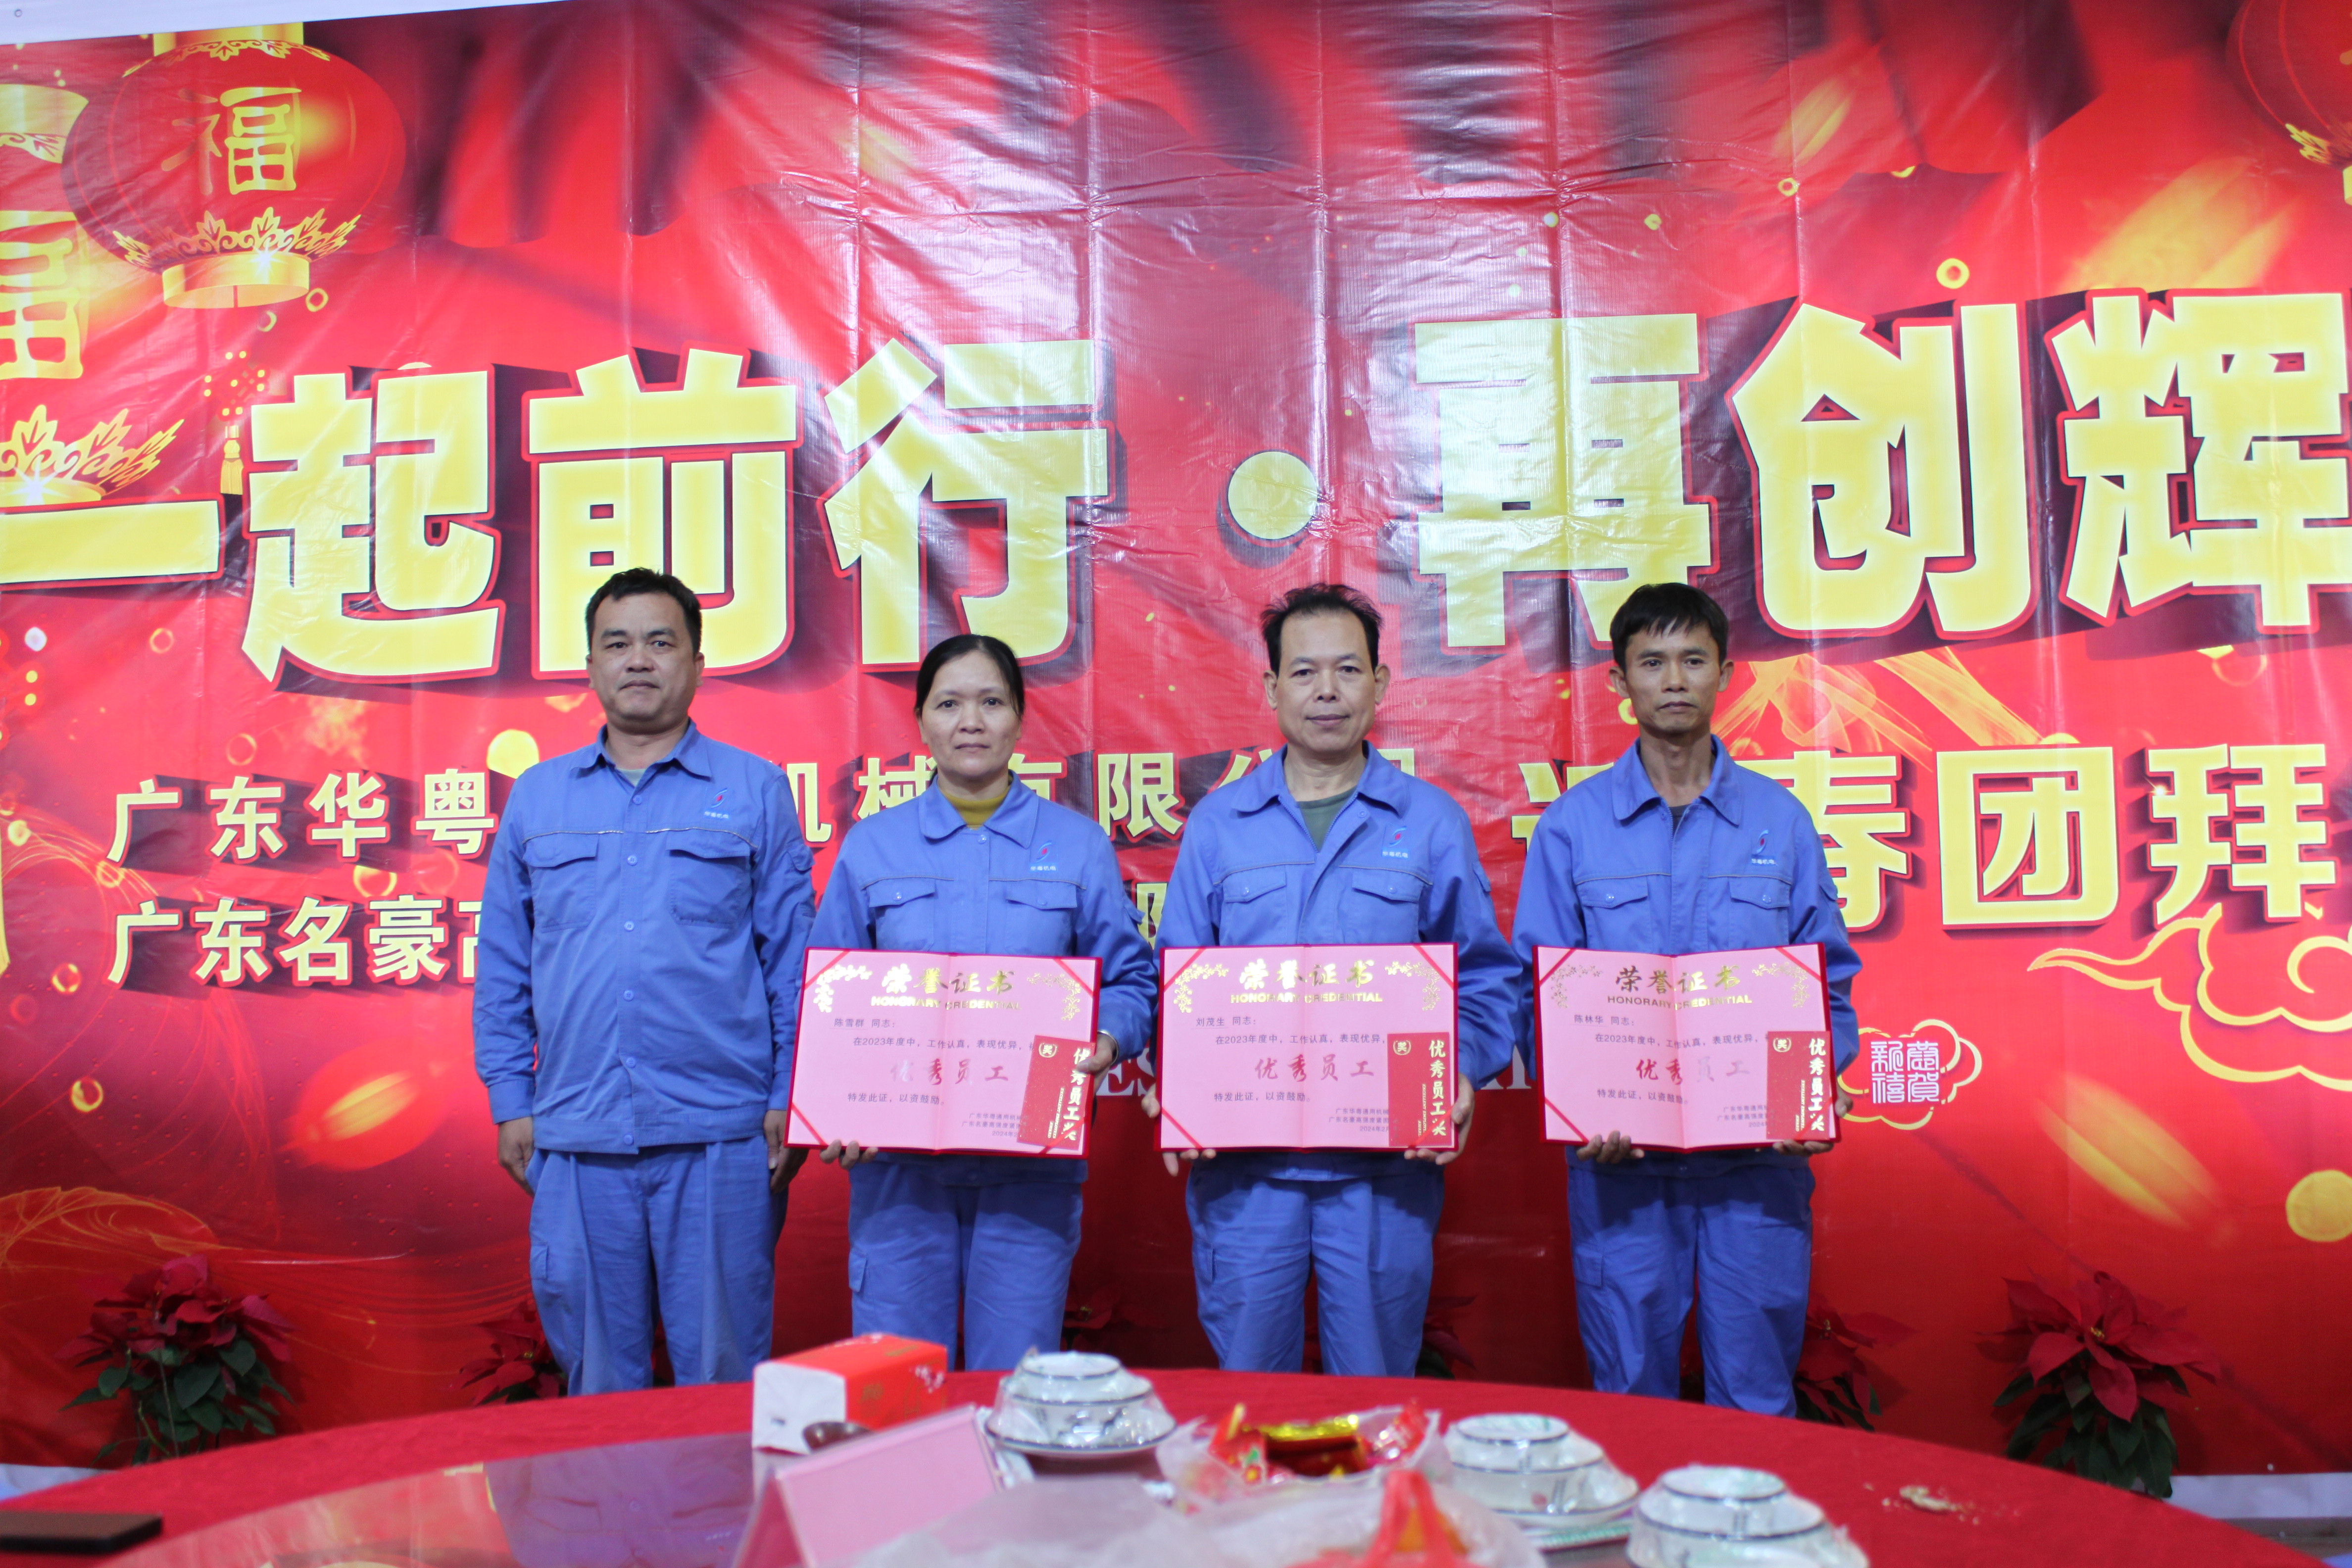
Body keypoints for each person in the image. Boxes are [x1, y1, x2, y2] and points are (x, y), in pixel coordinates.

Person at [1150, 584, 1519, 1377]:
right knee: (1254, 1392)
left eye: (1348, 670)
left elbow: (1487, 976)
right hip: (1246, 1171)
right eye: (1305, 672)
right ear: (1271, 688)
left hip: (1383, 1173)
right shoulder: (1219, 826)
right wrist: (1176, 1086)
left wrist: (1460, 1068)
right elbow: (1178, 984)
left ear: (1379, 684)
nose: (1327, 691)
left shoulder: (1430, 823)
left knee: (1377, 1391)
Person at [1513, 582, 1859, 1415]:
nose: (1674, 680)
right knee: (1632, 1398)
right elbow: (1540, 990)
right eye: (1653, 662)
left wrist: (1813, 1089)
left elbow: (1826, 980)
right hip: (1622, 1166)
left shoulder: (1780, 822)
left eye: (1694, 660)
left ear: (1726, 675)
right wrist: (1579, 1107)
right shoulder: (1572, 828)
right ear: (1619, 681)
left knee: (1758, 1397)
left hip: (1757, 1167)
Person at [474, 568, 815, 1394]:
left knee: (723, 1377)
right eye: (617, 643)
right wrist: (511, 1098)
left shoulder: (754, 789)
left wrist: (791, 1096)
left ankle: (725, 1490)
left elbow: (792, 962)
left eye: (661, 642)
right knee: (598, 1382)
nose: (638, 660)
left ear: (697, 663)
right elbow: (505, 960)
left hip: (722, 1132)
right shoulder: (539, 798)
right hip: (577, 1131)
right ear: (589, 665)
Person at [807, 634, 1156, 1370]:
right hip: (899, 1168)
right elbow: (828, 994)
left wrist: (1109, 1037)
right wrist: (832, 1109)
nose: (971, 721)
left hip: (1032, 1161)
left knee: (1016, 1381)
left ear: (1020, 719)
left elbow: (1131, 980)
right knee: (901, 1382)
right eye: (949, 704)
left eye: (992, 702)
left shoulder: (1077, 846)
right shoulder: (873, 848)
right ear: (921, 721)